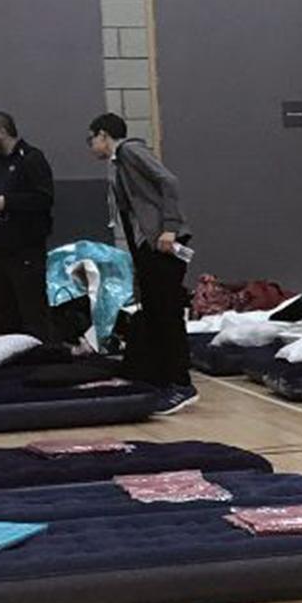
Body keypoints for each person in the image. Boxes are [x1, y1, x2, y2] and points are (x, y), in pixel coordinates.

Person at [88, 111, 197, 414]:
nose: (90, 146)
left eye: (91, 139)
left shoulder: (130, 151)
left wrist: (170, 226)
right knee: (155, 313)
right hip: (148, 246)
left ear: (103, 135)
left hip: (163, 242)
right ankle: (163, 377)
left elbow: (169, 181)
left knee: (166, 312)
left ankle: (181, 383)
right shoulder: (118, 163)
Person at [0, 111, 55, 339]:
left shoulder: (31, 159)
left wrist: (7, 202)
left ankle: (42, 360)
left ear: (2, 132)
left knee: (32, 313)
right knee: (4, 315)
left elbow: (44, 198)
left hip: (24, 249)